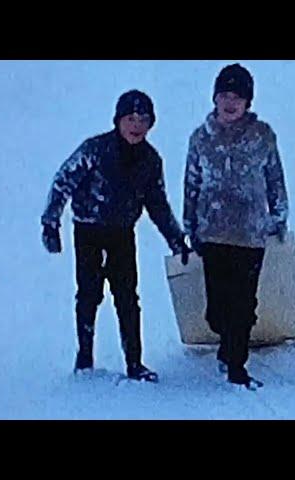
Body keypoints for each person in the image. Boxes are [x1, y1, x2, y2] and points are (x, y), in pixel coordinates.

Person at [41, 90, 190, 382]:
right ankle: (84, 359)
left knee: (127, 298)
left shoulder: (150, 160)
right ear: (118, 121)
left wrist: (175, 238)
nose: (136, 125)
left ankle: (135, 363)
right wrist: (51, 223)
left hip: (122, 235)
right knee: (88, 294)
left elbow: (157, 203)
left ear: (151, 124)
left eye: (143, 119)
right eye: (130, 118)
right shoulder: (94, 150)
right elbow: (62, 182)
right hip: (89, 232)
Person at [183, 64, 289, 390]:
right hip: (212, 232)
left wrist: (279, 216)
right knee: (217, 309)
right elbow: (191, 182)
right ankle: (227, 343)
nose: (230, 103)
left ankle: (236, 365)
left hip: (250, 233)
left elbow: (275, 178)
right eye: (225, 96)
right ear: (215, 98)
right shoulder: (201, 138)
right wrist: (189, 224)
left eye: (238, 97)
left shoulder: (262, 136)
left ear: (248, 102)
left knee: (244, 302)